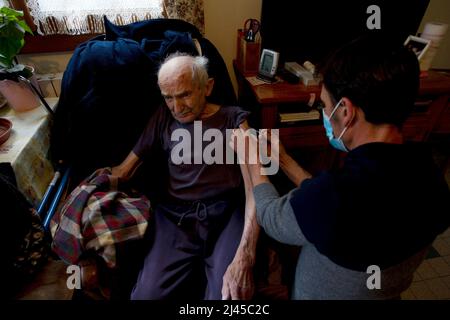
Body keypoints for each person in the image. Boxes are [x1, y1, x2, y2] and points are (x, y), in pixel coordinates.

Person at [232, 33, 450, 299]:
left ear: (346, 111)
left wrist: (251, 159)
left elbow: (271, 217)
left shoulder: (335, 198)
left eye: (325, 105)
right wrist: (285, 160)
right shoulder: (432, 178)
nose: (325, 114)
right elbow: (330, 202)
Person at [111, 53, 259, 300]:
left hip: (224, 216)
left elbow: (256, 187)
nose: (176, 108)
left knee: (229, 297)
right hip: (174, 218)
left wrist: (246, 254)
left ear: (207, 87)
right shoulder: (162, 116)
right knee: (145, 296)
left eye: (185, 95)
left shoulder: (234, 119)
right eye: (168, 98)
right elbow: (124, 169)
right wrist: (87, 193)